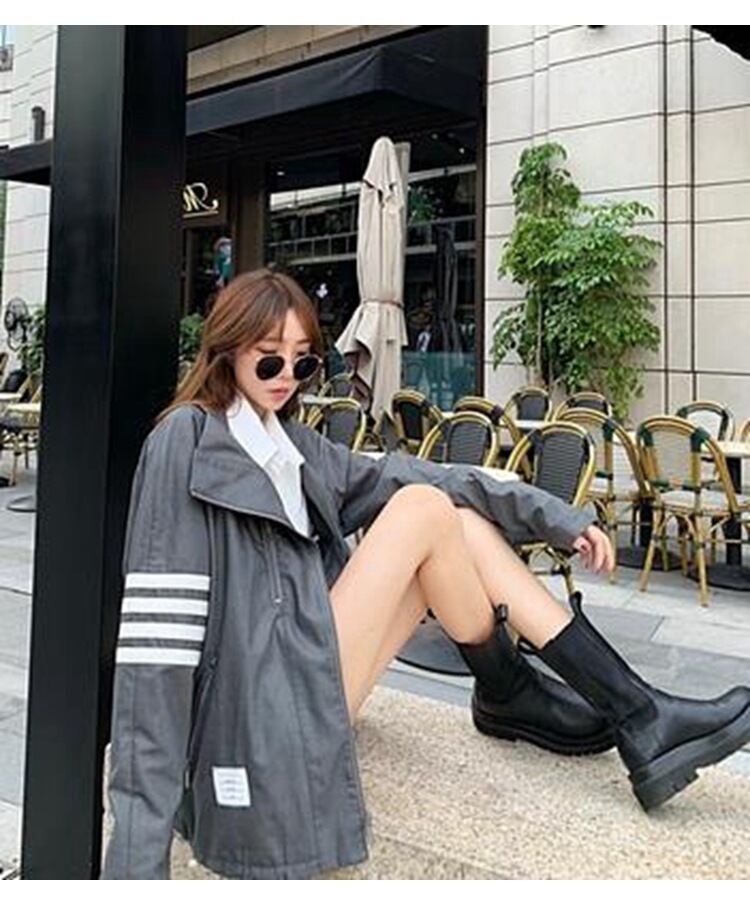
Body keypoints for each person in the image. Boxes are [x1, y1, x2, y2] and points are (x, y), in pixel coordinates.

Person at [102, 269, 750, 880]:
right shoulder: (186, 440)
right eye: (269, 360)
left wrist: (553, 515)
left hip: (305, 683)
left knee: (448, 513)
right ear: (225, 351)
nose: (287, 378)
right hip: (254, 714)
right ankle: (544, 694)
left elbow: (426, 473)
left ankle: (617, 707)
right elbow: (158, 644)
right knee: (422, 510)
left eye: (303, 362)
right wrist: (136, 860)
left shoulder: (292, 447)